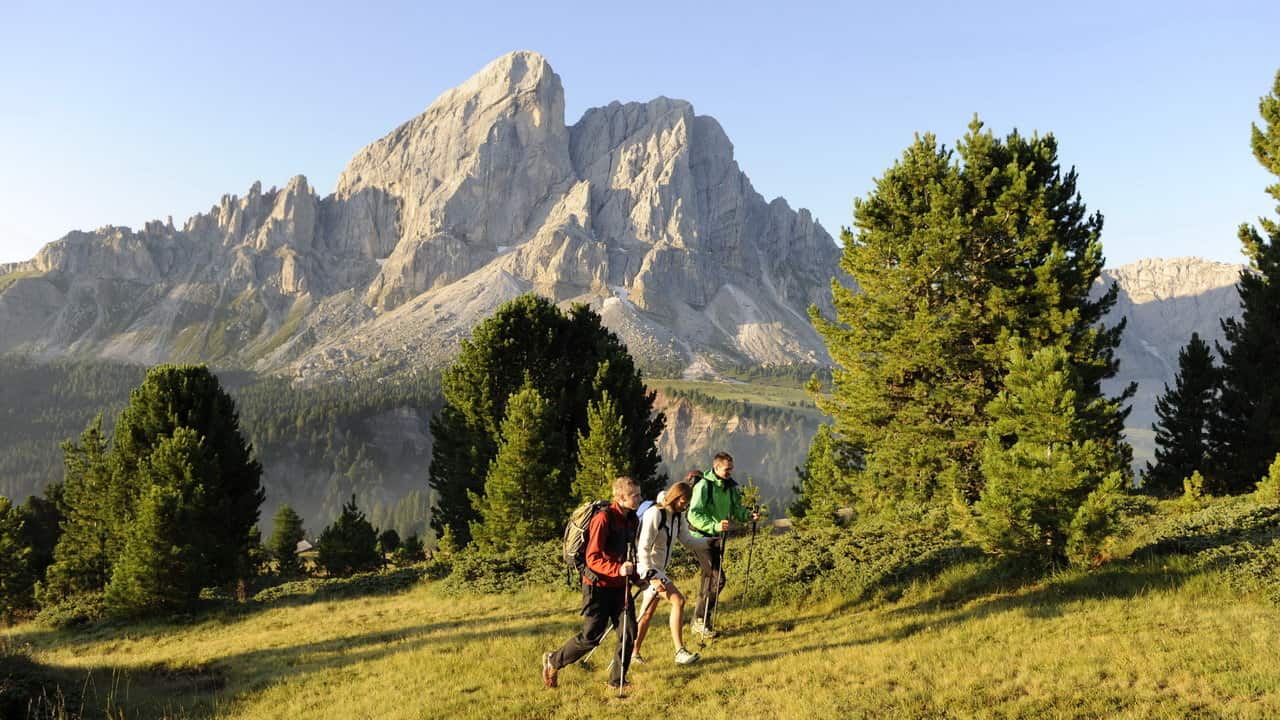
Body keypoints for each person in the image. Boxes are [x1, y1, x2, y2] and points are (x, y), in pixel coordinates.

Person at [542, 476, 641, 690]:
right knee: (590, 637)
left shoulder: (633, 519)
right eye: (636, 495)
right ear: (621, 497)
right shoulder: (604, 519)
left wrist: (636, 578)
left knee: (629, 632)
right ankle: (553, 661)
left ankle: (617, 681)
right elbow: (592, 558)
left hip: (620, 587)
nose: (640, 498)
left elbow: (629, 554)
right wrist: (617, 570)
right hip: (597, 586)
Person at [632, 477, 710, 666]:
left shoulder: (677, 516)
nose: (685, 506)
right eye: (683, 502)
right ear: (674, 497)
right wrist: (651, 577)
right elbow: (642, 550)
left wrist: (710, 542)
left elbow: (688, 541)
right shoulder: (655, 515)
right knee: (679, 600)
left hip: (657, 571)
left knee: (646, 613)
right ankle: (679, 652)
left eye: (687, 503)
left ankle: (632, 653)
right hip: (647, 570)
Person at [687, 452, 759, 638]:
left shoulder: (729, 487)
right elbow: (693, 514)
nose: (730, 472)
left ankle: (699, 621)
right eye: (727, 469)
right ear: (716, 467)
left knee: (708, 581)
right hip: (701, 537)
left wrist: (748, 516)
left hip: (717, 538)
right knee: (718, 580)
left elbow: (736, 508)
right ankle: (700, 621)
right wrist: (714, 525)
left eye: (731, 468)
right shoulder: (704, 485)